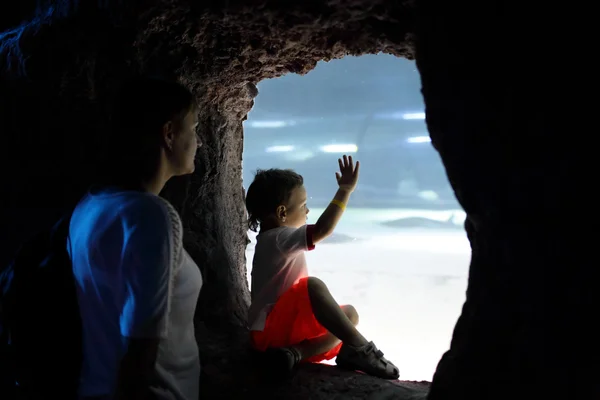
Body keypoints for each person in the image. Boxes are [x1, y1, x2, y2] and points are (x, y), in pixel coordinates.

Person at [68, 77, 203, 400]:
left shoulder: (90, 203)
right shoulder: (152, 216)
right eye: (194, 129)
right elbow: (142, 349)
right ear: (169, 134)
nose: (199, 141)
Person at [245, 155, 400, 380]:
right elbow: (322, 230)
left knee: (349, 314)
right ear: (282, 213)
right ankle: (363, 350)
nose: (307, 211)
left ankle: (296, 354)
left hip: (278, 334)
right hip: (270, 331)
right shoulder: (278, 238)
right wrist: (344, 191)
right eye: (303, 205)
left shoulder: (273, 240)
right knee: (312, 286)